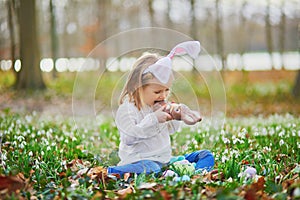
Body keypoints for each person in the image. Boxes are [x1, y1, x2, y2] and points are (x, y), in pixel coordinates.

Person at [107, 41, 214, 177]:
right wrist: (154, 119)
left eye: (167, 90)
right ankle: (111, 172)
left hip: (165, 161)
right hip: (141, 161)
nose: (163, 95)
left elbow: (171, 130)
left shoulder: (159, 105)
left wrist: (175, 117)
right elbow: (129, 137)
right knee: (152, 168)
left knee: (205, 155)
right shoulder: (127, 109)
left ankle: (195, 175)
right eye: (157, 92)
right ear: (138, 87)